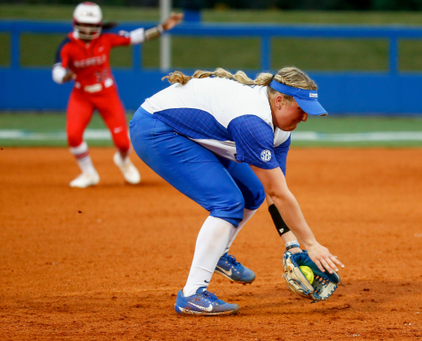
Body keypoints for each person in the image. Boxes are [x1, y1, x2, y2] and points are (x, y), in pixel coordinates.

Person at [129, 66, 344, 316]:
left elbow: (273, 191)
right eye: (301, 110)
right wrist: (312, 244)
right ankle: (192, 295)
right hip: (158, 129)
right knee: (227, 202)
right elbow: (278, 193)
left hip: (189, 132)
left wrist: (293, 245)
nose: (305, 118)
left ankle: (217, 253)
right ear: (279, 101)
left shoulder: (281, 131)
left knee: (253, 191)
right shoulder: (252, 120)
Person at [52, 2, 183, 188]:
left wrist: (162, 27)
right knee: (73, 136)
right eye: (85, 24)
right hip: (82, 94)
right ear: (75, 23)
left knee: (123, 143)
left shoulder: (105, 39)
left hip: (107, 94)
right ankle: (89, 173)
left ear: (98, 25)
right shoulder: (68, 45)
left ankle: (123, 160)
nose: (88, 30)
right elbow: (57, 71)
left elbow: (135, 37)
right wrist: (65, 76)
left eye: (92, 25)